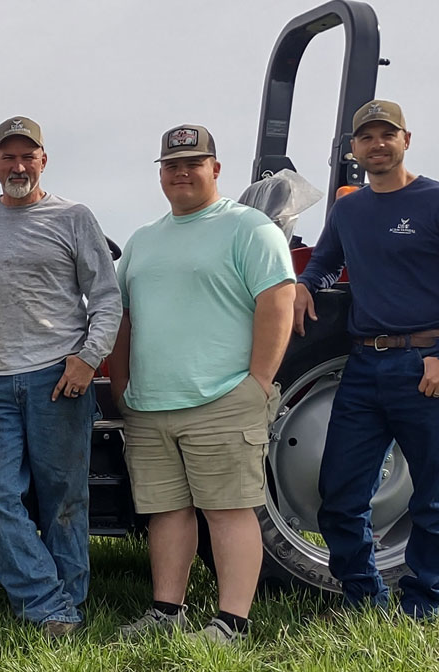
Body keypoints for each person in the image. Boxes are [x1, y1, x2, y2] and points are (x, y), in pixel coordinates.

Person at [294, 100, 439, 621]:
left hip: (427, 363)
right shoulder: (349, 210)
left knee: (434, 496)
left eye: (388, 134)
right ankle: (363, 598)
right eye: (367, 137)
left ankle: (426, 604)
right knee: (340, 493)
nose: (377, 144)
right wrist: (302, 286)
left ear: (407, 139)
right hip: (364, 368)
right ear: (354, 148)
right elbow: (324, 260)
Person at [109, 125, 295, 645]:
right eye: (171, 165)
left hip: (223, 397)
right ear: (161, 174)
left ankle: (232, 621)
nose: (182, 173)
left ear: (216, 168)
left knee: (228, 510)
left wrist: (257, 383)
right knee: (166, 513)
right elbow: (123, 320)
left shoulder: (249, 228)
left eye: (194, 163)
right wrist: (122, 386)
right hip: (150, 404)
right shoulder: (143, 242)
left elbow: (277, 300)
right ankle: (167, 612)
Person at [0, 116, 122, 638]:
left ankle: (64, 606)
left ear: (44, 160)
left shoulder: (73, 217)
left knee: (64, 500)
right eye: (8, 156)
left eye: (28, 155)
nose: (18, 165)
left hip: (57, 379)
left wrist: (88, 359)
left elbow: (106, 297)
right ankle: (49, 605)